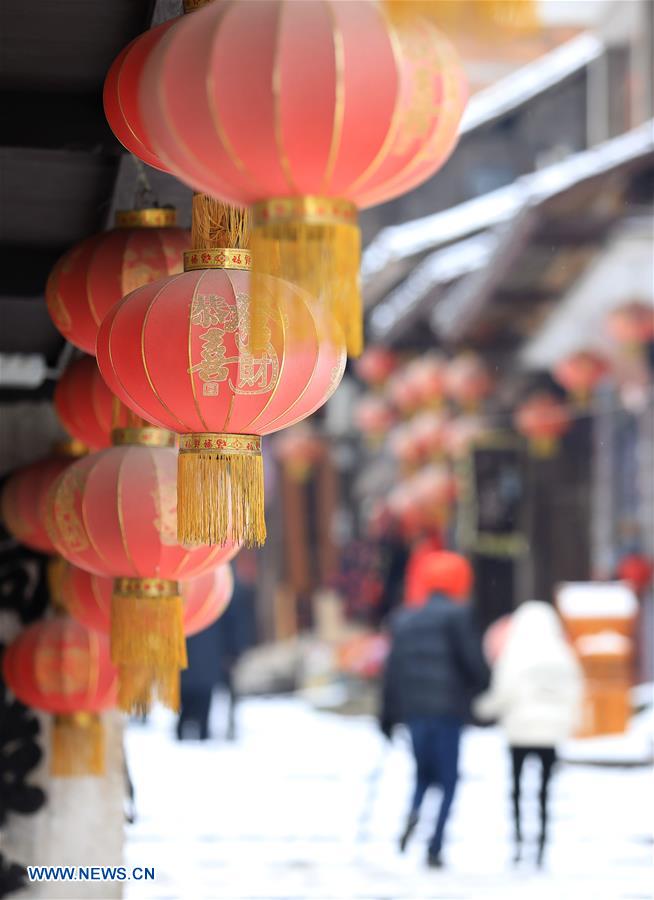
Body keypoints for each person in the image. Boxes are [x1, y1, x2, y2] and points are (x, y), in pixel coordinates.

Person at [380, 551, 489, 868]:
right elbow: (473, 663)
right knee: (449, 779)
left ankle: (414, 811)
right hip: (447, 711)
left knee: (423, 775)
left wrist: (387, 716)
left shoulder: (404, 619)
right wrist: (482, 687)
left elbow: (393, 672)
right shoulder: (458, 615)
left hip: (416, 712)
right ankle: (435, 845)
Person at [474, 601, 583, 867]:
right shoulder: (563, 652)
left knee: (518, 789)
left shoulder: (514, 652)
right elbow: (575, 692)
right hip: (550, 733)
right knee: (545, 791)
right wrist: (569, 723)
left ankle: (519, 840)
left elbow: (504, 692)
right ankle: (543, 843)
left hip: (520, 731)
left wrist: (482, 709)